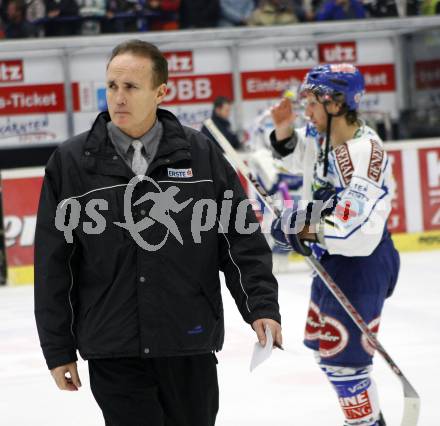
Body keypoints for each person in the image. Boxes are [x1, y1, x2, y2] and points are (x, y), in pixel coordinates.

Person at [34, 39, 282, 426]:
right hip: (114, 349)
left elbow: (239, 240)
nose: (118, 97)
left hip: (188, 340)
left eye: (131, 87)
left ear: (160, 91)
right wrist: (57, 347)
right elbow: (54, 265)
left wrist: (261, 306)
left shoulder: (200, 155)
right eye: (112, 86)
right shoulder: (70, 164)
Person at [270, 64, 399, 426]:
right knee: (327, 351)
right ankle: (367, 419)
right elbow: (299, 159)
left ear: (336, 103)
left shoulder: (366, 152)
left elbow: (356, 225)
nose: (305, 111)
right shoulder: (322, 134)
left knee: (345, 362)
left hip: (363, 262)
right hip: (335, 260)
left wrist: (303, 229)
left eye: (311, 102)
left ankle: (367, 424)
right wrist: (282, 129)